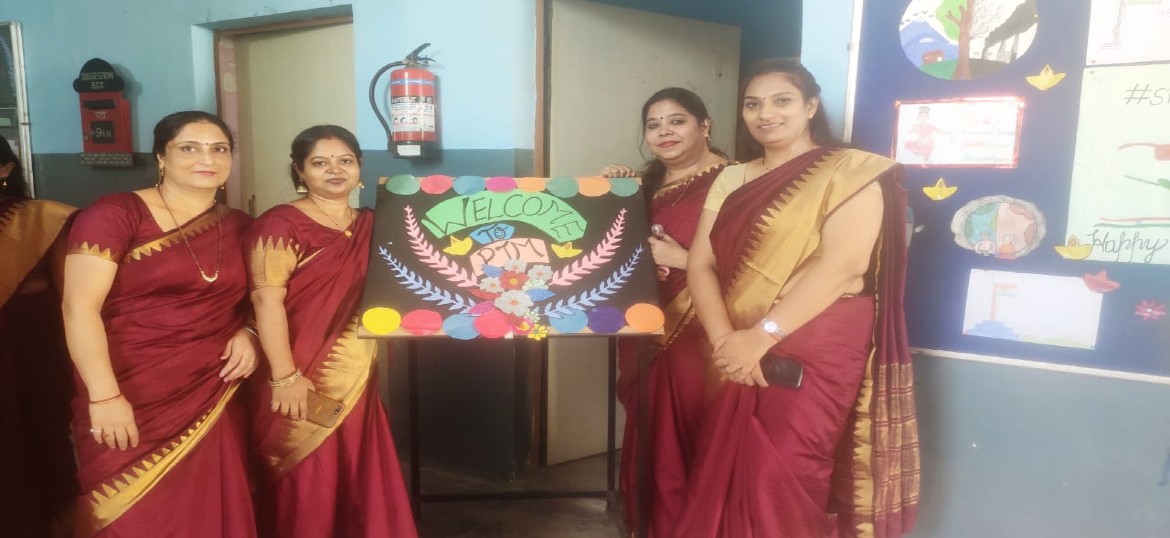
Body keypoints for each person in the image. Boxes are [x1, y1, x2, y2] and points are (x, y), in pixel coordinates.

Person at [678, 60, 919, 537]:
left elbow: (844, 266)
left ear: (810, 106)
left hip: (818, 336)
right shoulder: (731, 178)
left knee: (787, 468)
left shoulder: (851, 171)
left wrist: (761, 337)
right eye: (753, 104)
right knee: (722, 466)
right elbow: (700, 263)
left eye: (781, 101)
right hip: (732, 343)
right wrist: (727, 342)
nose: (765, 113)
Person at [62, 111, 259, 537]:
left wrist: (250, 333)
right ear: (161, 157)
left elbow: (259, 300)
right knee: (127, 511)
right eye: (189, 148)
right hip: (127, 387)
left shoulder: (240, 227)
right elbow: (78, 308)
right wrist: (104, 396)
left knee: (208, 504)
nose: (207, 158)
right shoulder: (116, 214)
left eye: (219, 149)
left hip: (211, 388)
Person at [244, 125, 417, 537]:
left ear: (360, 167)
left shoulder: (375, 223)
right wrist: (285, 377)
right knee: (303, 468)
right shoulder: (279, 224)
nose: (334, 170)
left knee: (353, 462)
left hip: (354, 368)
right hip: (293, 365)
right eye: (320, 163)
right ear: (300, 171)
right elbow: (266, 301)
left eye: (345, 161)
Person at [599, 87, 731, 535]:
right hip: (643, 326)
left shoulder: (737, 181)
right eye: (653, 125)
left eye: (677, 121)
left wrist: (684, 259)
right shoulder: (645, 184)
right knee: (651, 427)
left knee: (695, 426)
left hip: (703, 328)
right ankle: (653, 522)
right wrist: (611, 192)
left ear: (704, 125)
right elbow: (609, 246)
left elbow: (759, 263)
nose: (664, 133)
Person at [0, 134, 79, 536]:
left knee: (37, 443)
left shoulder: (42, 219)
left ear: (6, 168)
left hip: (29, 356)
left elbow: (73, 301)